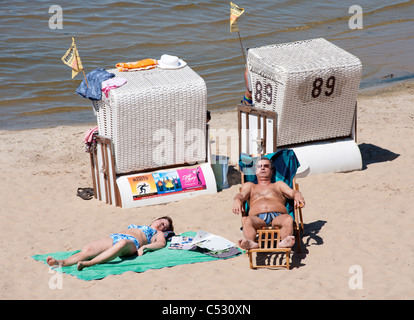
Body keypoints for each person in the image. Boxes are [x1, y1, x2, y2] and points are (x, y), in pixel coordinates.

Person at [47, 216, 174, 271]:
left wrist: (145, 247)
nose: (161, 224)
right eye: (161, 221)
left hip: (132, 243)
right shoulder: (141, 225)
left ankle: (90, 263)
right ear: (156, 219)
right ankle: (63, 262)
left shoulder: (157, 233)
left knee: (123, 243)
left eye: (164, 225)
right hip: (116, 236)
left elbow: (161, 244)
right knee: (89, 249)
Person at [232, 157, 305, 250]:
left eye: (266, 166)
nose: (262, 168)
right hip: (258, 219)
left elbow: (292, 193)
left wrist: (297, 194)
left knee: (288, 219)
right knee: (246, 220)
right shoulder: (250, 186)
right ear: (255, 171)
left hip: (278, 217)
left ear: (271, 170)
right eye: (259, 166)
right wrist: (237, 200)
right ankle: (250, 242)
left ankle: (284, 241)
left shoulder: (278, 185)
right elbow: (241, 195)